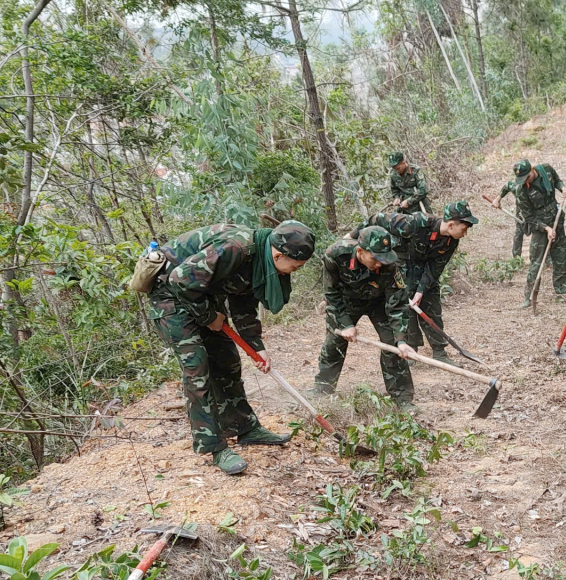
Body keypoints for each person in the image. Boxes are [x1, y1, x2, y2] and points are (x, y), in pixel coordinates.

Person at [148, 220, 315, 475]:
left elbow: (243, 302)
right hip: (170, 296)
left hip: (201, 294)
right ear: (279, 255)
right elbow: (180, 280)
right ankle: (213, 446)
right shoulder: (235, 248)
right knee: (198, 365)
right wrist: (208, 317)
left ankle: (244, 427)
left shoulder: (260, 261)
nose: (294, 272)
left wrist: (255, 345)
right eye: (295, 266)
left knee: (227, 359)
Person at [353, 201, 478, 365]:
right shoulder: (416, 223)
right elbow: (377, 219)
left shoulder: (452, 240)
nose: (465, 234)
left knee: (432, 308)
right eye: (464, 229)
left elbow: (435, 267)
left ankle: (439, 352)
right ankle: (411, 350)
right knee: (407, 308)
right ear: (452, 224)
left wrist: (421, 291)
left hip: (425, 273)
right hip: (403, 266)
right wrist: (352, 236)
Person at [312, 226, 419, 414]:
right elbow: (331, 293)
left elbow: (398, 304)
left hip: (379, 303)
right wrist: (345, 324)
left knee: (392, 345)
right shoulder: (336, 255)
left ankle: (402, 398)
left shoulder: (390, 264)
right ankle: (322, 390)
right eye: (375, 259)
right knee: (334, 342)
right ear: (360, 251)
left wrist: (401, 339)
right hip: (346, 302)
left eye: (383, 259)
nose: (380, 264)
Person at [492, 159, 566, 308]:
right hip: (539, 227)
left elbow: (558, 180)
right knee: (536, 262)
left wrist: (562, 188)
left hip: (556, 219)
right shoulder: (521, 191)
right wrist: (546, 229)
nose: (525, 181)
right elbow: (529, 218)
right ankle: (529, 296)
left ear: (533, 170)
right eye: (521, 179)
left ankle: (561, 292)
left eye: (527, 177)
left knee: (560, 257)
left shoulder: (546, 170)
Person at [498, 176, 524, 258]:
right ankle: (516, 258)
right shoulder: (516, 186)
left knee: (540, 234)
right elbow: (507, 186)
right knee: (519, 232)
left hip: (535, 213)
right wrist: (497, 199)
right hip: (521, 213)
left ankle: (547, 260)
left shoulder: (537, 186)